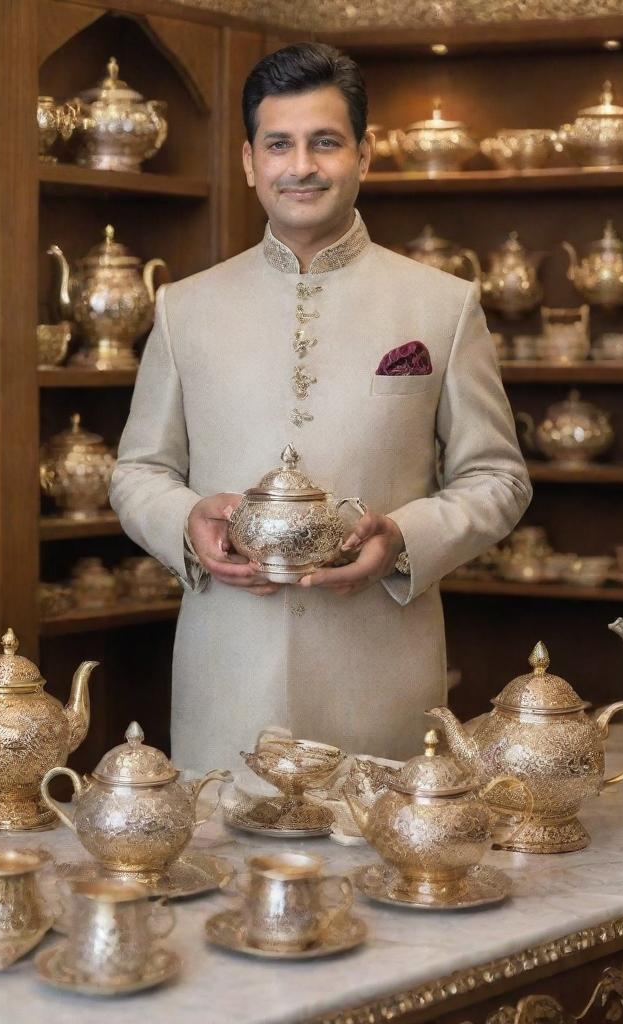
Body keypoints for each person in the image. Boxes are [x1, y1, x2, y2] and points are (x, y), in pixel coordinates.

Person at [110, 43, 531, 770]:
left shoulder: (442, 304)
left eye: (325, 142)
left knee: (381, 874)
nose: (300, 165)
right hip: (226, 684)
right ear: (249, 162)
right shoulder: (186, 308)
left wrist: (402, 536)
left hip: (381, 686)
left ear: (363, 156)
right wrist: (187, 520)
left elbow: (498, 477)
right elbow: (137, 470)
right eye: (279, 144)